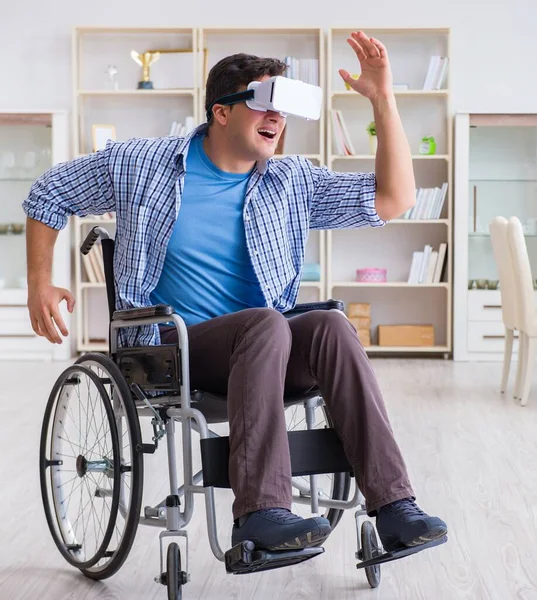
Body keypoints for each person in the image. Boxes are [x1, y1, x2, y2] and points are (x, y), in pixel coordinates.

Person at [24, 31, 447, 553]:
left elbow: (394, 197)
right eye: (263, 106)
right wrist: (40, 284)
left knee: (331, 325)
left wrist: (383, 99)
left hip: (264, 350)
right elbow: (48, 193)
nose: (277, 120)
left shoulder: (292, 180)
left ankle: (394, 506)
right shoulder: (139, 164)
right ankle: (260, 515)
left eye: (283, 112)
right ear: (220, 112)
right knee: (266, 321)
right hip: (170, 350)